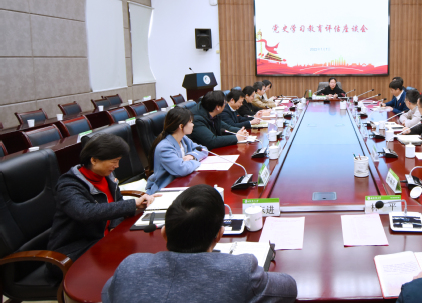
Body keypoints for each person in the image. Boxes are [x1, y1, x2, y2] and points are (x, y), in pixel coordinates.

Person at [102, 185, 298, 303]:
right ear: (219, 235)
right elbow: (289, 288)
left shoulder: (130, 267)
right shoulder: (240, 271)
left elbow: (108, 293)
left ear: (164, 232)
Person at [48, 134, 156, 269]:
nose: (117, 166)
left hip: (105, 242)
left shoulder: (106, 176)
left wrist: (115, 227)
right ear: (94, 160)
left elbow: (116, 202)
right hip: (74, 251)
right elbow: (85, 212)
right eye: (114, 161)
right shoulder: (68, 185)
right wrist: (133, 204)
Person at [146, 107, 208, 194]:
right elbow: (182, 169)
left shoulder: (183, 139)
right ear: (181, 126)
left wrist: (191, 156)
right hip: (165, 189)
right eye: (190, 122)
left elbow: (203, 150)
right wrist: (196, 161)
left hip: (183, 183)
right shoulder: (164, 148)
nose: (193, 125)